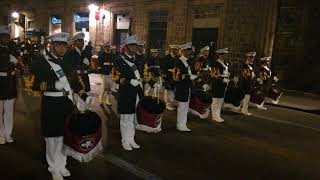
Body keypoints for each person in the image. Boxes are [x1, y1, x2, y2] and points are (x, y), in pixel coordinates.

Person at [27, 32, 85, 180]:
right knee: (52, 138)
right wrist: (53, 85)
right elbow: (31, 85)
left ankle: (62, 164)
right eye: (58, 45)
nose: (62, 48)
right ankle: (53, 167)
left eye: (64, 45)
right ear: (51, 45)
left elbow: (74, 81)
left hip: (66, 104)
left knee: (65, 136)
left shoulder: (67, 61)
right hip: (51, 104)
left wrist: (85, 95)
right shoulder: (41, 62)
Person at [112, 35, 143, 151]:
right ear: (126, 47)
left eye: (135, 45)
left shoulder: (139, 59)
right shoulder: (119, 60)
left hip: (137, 93)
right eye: (132, 45)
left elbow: (142, 75)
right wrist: (129, 81)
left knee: (133, 117)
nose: (135, 47)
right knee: (125, 118)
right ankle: (125, 140)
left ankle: (131, 139)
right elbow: (115, 77)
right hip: (126, 93)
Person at [0, 25, 19, 145]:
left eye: (7, 36)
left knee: (9, 112)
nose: (6, 38)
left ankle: (8, 134)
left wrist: (17, 63)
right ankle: (1, 135)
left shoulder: (13, 48)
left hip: (11, 82)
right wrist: (7, 60)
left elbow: (19, 63)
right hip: (0, 81)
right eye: (3, 36)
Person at [172, 42, 197, 131]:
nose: (190, 52)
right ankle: (180, 124)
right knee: (182, 106)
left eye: (190, 50)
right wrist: (188, 77)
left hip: (188, 87)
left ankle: (184, 124)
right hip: (182, 87)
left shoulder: (189, 61)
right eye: (188, 50)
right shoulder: (178, 61)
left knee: (186, 106)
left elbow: (192, 71)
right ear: (183, 51)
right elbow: (176, 76)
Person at [210, 48, 230, 122]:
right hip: (217, 83)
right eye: (222, 55)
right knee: (216, 100)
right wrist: (223, 79)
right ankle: (214, 116)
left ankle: (217, 115)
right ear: (219, 55)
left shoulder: (225, 63)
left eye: (225, 55)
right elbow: (215, 74)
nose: (224, 56)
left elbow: (226, 72)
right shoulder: (216, 63)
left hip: (224, 83)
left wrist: (228, 76)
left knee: (220, 100)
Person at [159, 44, 180, 110]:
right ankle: (167, 104)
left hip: (175, 76)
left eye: (178, 50)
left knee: (173, 90)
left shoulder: (177, 58)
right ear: (173, 50)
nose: (178, 51)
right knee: (167, 90)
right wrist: (164, 77)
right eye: (177, 50)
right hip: (168, 76)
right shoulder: (166, 58)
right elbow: (163, 68)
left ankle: (172, 103)